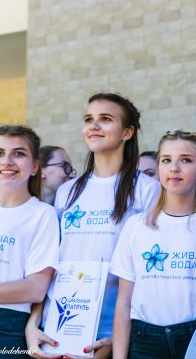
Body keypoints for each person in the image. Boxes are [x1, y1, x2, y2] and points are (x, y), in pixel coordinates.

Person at [25, 93, 159, 358]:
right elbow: (51, 262)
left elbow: (148, 272)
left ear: (127, 132)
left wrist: (118, 337)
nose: (94, 126)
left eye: (105, 119)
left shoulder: (148, 189)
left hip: (112, 332)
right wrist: (33, 323)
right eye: (88, 119)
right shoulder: (67, 191)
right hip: (58, 329)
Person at [112, 131, 196, 358]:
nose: (174, 168)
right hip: (145, 342)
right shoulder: (136, 226)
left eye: (186, 160)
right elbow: (123, 302)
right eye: (166, 160)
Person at [0, 125, 59, 356]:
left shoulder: (43, 214)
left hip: (5, 325)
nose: (7, 161)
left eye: (19, 153)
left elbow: (35, 289)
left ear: (34, 167)